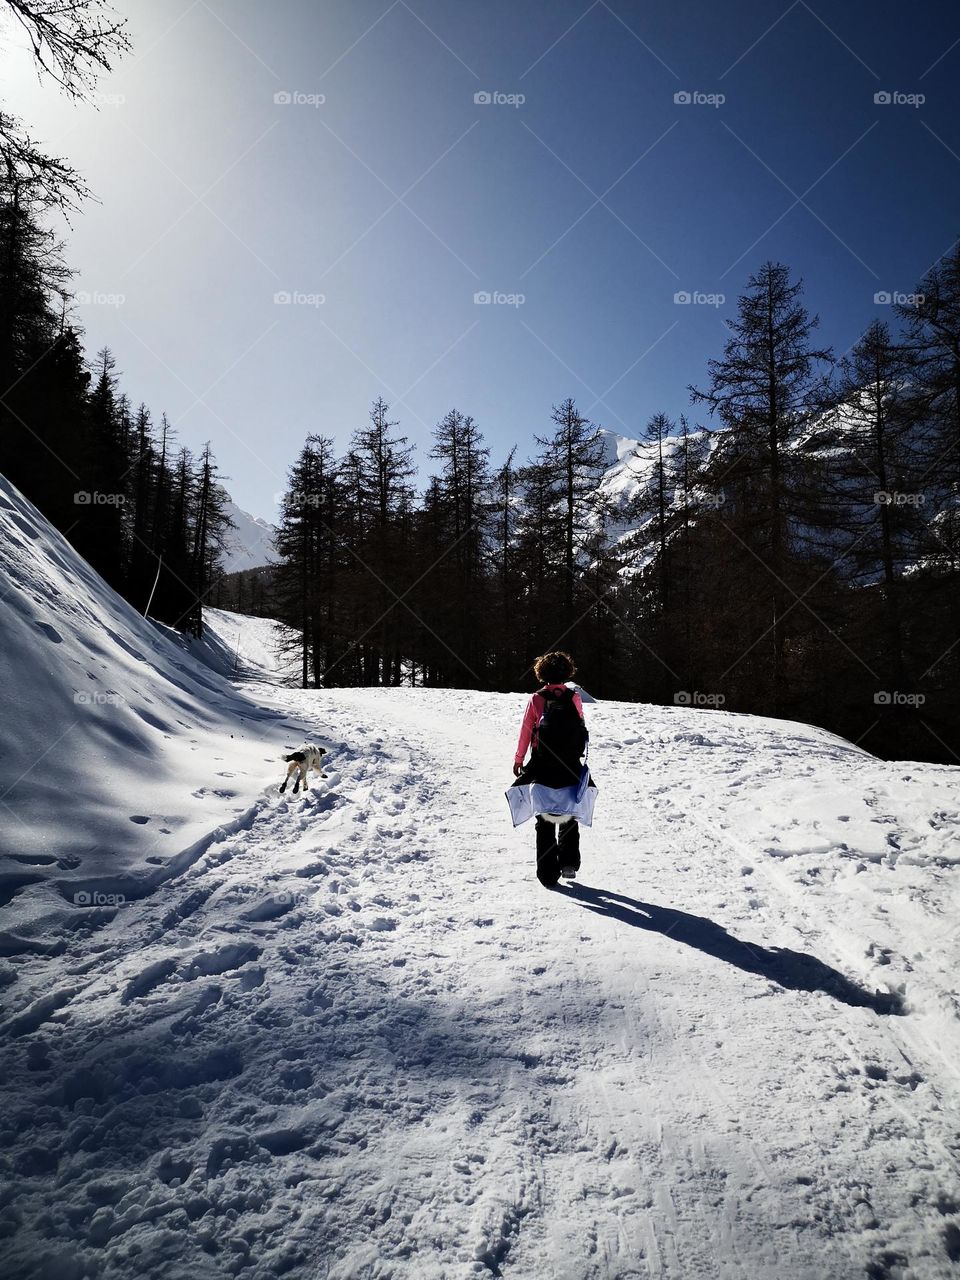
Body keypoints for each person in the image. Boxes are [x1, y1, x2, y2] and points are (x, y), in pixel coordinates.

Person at [512, 650, 588, 887]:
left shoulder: (536, 699)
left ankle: (547, 874)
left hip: (542, 764)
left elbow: (526, 731)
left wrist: (518, 759)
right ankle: (568, 863)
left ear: (541, 673)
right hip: (569, 765)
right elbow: (581, 729)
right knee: (568, 815)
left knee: (544, 820)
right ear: (567, 672)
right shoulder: (574, 697)